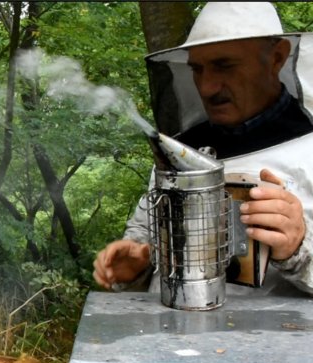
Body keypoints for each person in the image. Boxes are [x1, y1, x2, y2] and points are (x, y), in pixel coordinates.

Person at [93, 2, 313, 296]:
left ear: (276, 58)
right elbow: (144, 236)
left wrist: (298, 248)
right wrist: (137, 264)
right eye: (198, 69)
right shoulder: (179, 152)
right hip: (168, 337)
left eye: (225, 66)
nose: (207, 87)